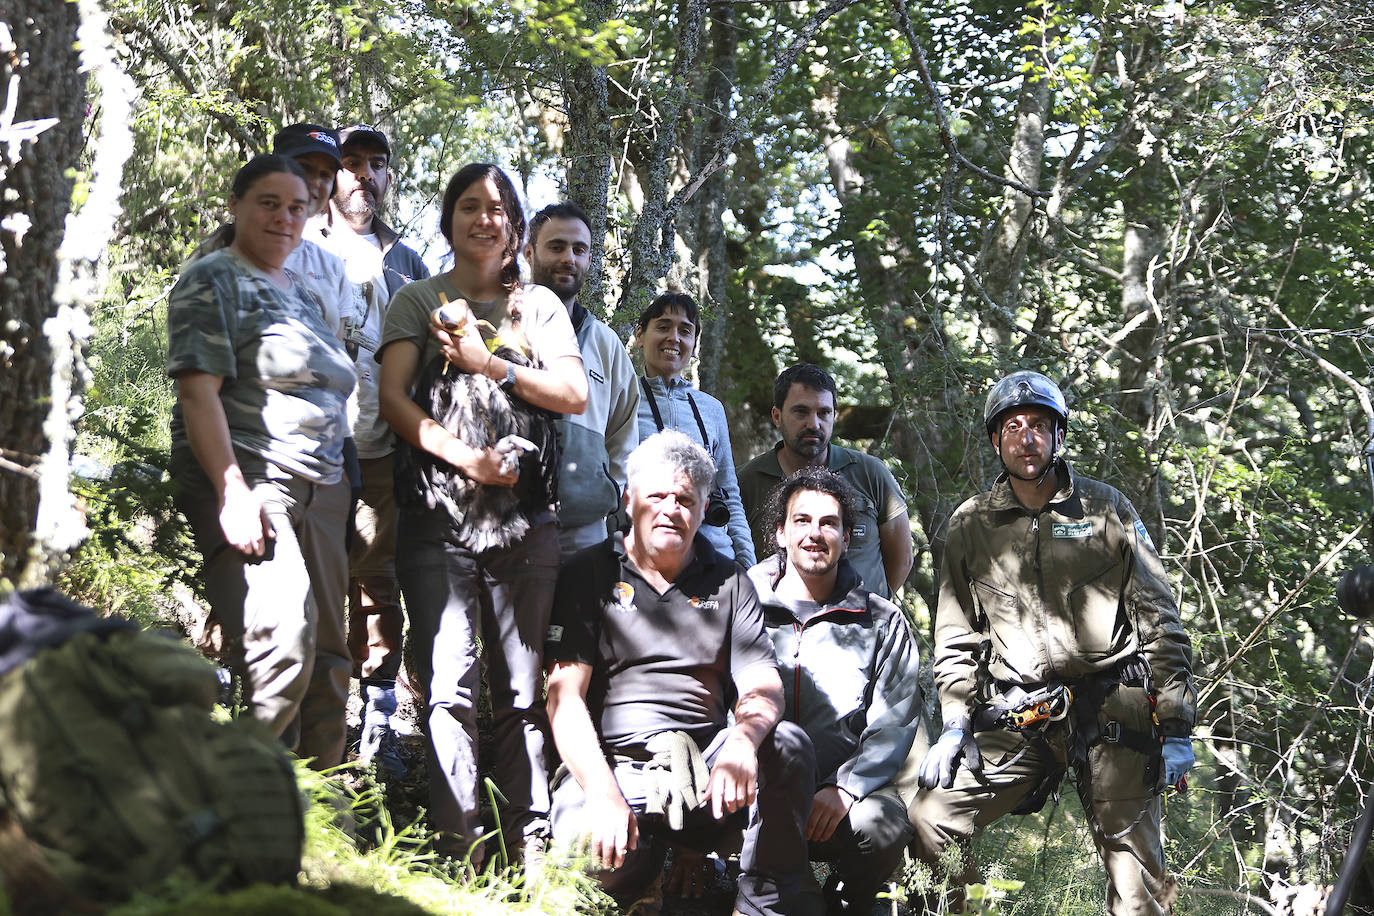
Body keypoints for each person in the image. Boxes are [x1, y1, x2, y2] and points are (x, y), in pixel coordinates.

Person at [907, 370, 1197, 914]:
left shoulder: (1105, 509)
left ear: (1058, 435)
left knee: (1138, 889)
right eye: (1012, 427)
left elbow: (1161, 618)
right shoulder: (972, 525)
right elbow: (954, 638)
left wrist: (1177, 726)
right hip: (1022, 715)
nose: (1026, 437)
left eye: (1039, 425)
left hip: (1113, 709)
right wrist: (953, 726)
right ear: (996, 441)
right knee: (931, 817)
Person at [376, 163, 587, 865]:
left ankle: (526, 855)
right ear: (448, 220)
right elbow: (393, 402)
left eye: (498, 208)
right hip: (438, 520)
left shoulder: (539, 309)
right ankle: (458, 853)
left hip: (528, 525)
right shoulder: (416, 299)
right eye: (469, 206)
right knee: (449, 689)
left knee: (522, 695)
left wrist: (487, 360)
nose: (484, 218)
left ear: (516, 225)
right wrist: (470, 462)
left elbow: (573, 393)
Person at [545, 431, 821, 915]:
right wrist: (604, 794)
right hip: (617, 768)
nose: (671, 508)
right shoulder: (589, 573)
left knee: (789, 745)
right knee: (579, 855)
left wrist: (742, 741)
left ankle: (759, 903)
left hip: (708, 770)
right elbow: (564, 697)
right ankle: (643, 871)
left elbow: (761, 683)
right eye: (657, 496)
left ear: (703, 506)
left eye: (686, 498)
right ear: (628, 499)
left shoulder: (729, 580)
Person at [167, 154, 355, 768]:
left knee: (329, 658)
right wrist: (231, 491)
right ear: (237, 205)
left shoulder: (300, 291)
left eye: (296, 206)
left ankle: (318, 822)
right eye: (268, 203)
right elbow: (198, 393)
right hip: (255, 478)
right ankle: (243, 802)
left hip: (322, 489)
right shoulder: (213, 278)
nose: (284, 217)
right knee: (284, 636)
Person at [309, 123, 430, 766]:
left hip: (383, 445)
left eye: (375, 164)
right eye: (350, 163)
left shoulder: (408, 261)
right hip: (317, 443)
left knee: (377, 583)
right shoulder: (306, 242)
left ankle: (379, 715)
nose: (362, 175)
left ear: (388, 177)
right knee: (317, 577)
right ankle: (317, 714)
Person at [748, 467, 921, 913]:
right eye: (802, 521)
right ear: (780, 533)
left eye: (829, 523)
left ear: (848, 537)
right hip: (757, 793)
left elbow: (893, 721)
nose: (815, 533)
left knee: (882, 823)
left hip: (839, 798)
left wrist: (846, 787)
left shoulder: (880, 621)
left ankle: (850, 898)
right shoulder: (741, 604)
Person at [737, 363, 912, 598]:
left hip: (863, 628)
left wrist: (873, 609)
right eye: (801, 412)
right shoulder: (746, 482)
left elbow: (902, 559)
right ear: (777, 416)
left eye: (823, 413)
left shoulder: (870, 474)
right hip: (780, 630)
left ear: (834, 416)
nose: (814, 424)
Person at [524, 202, 639, 557]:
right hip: (510, 521)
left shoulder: (605, 344)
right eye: (556, 247)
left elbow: (624, 435)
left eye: (579, 249)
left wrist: (610, 497)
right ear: (529, 253)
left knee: (585, 613)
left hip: (586, 529)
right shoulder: (501, 325)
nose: (569, 258)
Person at [633, 293, 754, 566]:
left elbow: (729, 493)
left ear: (694, 344)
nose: (674, 338)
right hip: (643, 559)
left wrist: (748, 564)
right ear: (640, 334)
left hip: (712, 555)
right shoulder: (623, 398)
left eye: (685, 331)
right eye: (663, 327)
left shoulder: (711, 409)